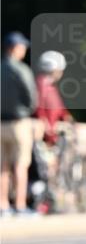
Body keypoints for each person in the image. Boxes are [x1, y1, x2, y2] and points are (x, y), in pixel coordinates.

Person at [1, 32, 38, 217]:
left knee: (2, 167)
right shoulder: (21, 70)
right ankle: (20, 205)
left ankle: (3, 205)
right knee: (20, 165)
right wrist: (27, 111)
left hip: (0, 123)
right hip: (18, 122)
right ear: (14, 48)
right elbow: (32, 98)